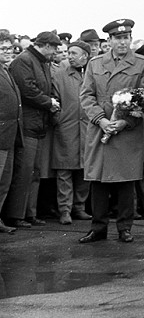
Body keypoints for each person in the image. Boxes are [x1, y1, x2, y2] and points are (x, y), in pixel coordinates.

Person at [78, 19, 144, 243]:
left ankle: (124, 227)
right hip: (100, 130)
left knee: (125, 181)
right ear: (109, 41)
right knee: (98, 181)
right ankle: (98, 227)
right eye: (118, 38)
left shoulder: (143, 64)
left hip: (126, 132)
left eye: (126, 38)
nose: (122, 42)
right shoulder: (95, 64)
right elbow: (86, 95)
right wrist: (100, 120)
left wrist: (125, 122)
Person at [4, 30, 61, 228]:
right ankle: (16, 215)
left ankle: (29, 213)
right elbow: (27, 90)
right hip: (28, 124)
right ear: (44, 45)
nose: (55, 52)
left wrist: (51, 100)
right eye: (54, 47)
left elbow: (46, 87)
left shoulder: (39, 61)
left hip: (37, 124)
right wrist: (49, 102)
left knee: (34, 171)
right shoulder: (25, 60)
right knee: (25, 171)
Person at [50, 39, 92, 224]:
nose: (69, 57)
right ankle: (65, 210)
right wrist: (58, 118)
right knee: (64, 172)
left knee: (85, 170)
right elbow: (53, 99)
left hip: (88, 129)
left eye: (74, 53)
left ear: (85, 56)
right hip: (66, 129)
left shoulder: (93, 73)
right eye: (68, 53)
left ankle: (79, 207)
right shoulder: (59, 75)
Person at [0, 34, 23, 233]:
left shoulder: (6, 71)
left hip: (9, 135)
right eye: (2, 48)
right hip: (1, 135)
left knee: (4, 181)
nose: (7, 52)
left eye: (9, 48)